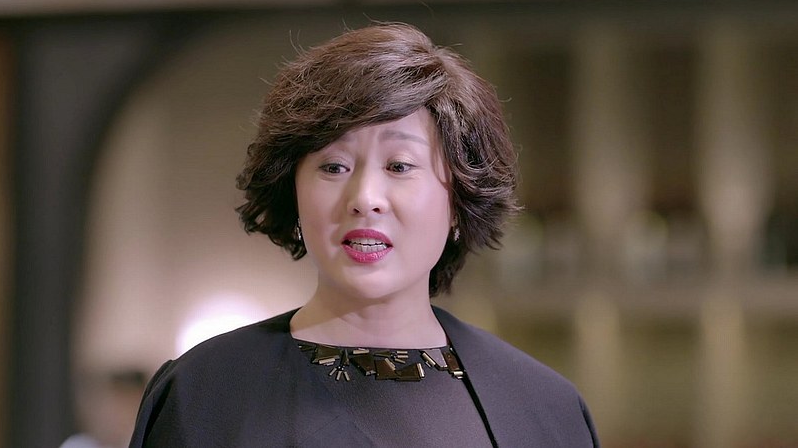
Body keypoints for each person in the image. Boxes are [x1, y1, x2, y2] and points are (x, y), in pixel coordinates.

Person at [129, 22, 599, 447]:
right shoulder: (205, 394)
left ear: (459, 199)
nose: (365, 198)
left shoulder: (544, 409)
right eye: (334, 166)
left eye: (399, 166)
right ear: (293, 193)